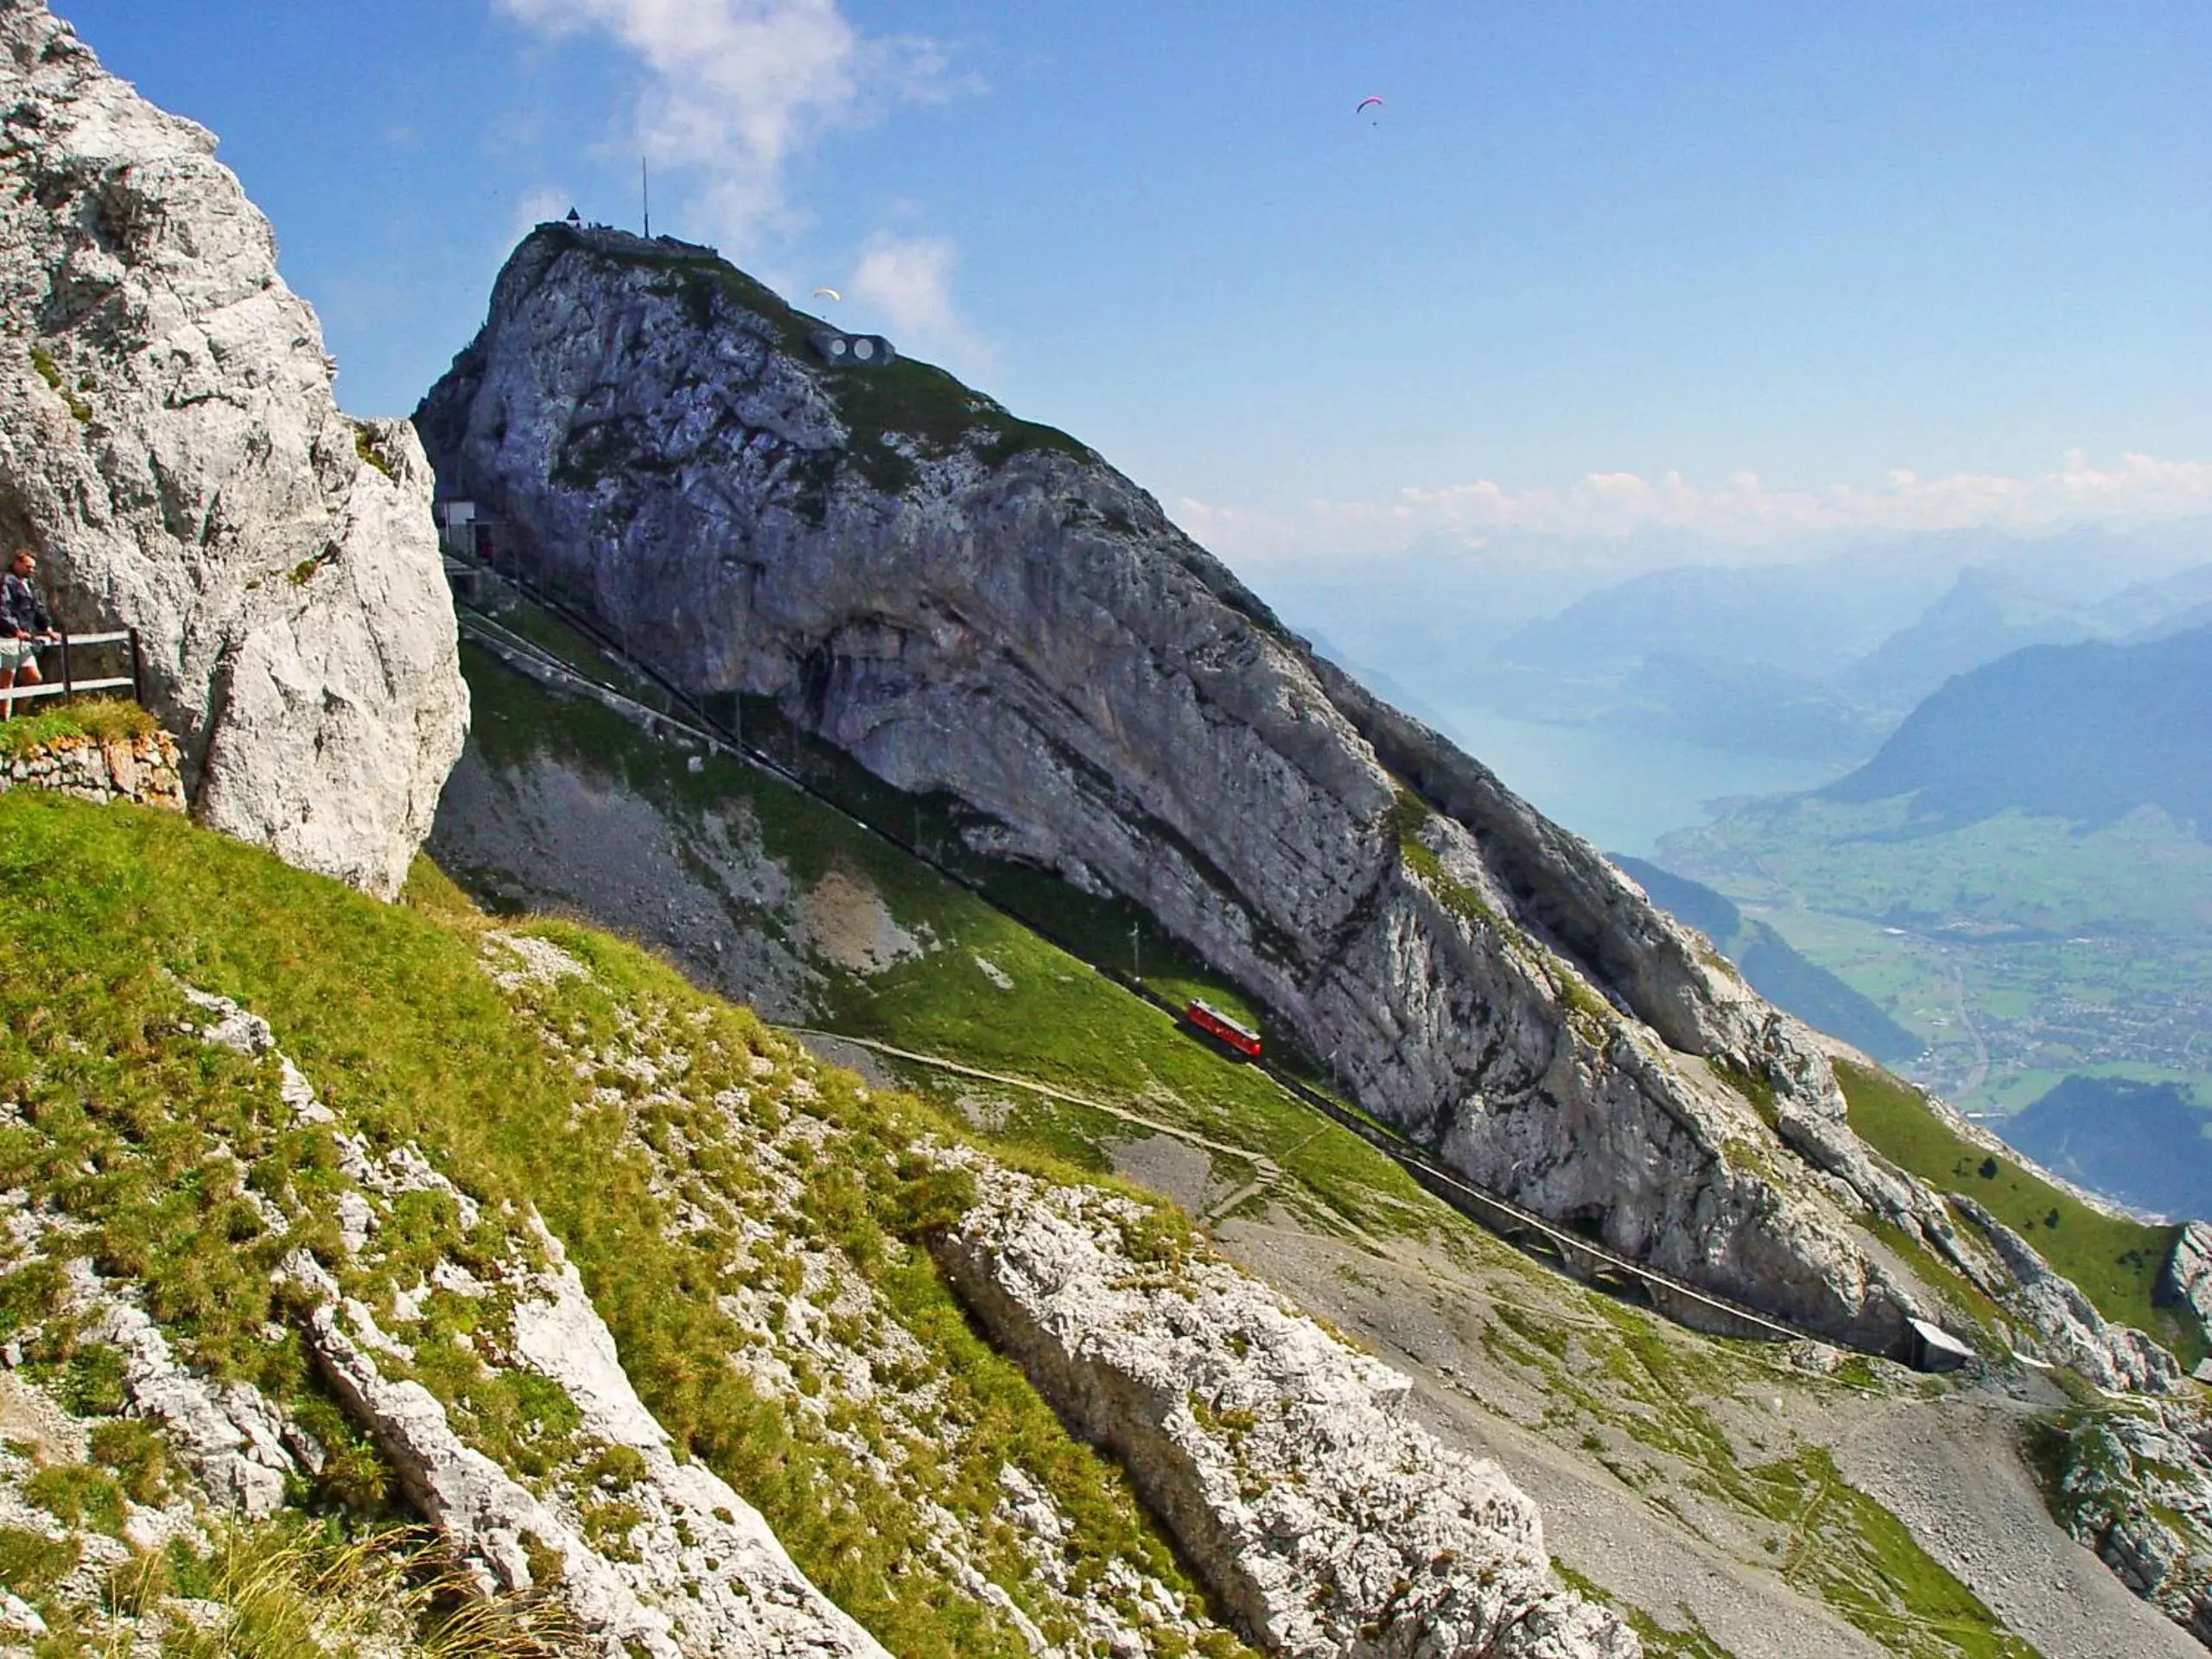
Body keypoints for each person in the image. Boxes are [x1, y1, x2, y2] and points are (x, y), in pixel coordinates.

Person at [1, 547, 59, 720]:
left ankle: (20, 714)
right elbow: (3, 609)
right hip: (7, 638)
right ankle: (5, 719)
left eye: (33, 568)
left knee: (33, 676)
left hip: (25, 638)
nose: (31, 571)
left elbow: (37, 607)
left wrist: (47, 628)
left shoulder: (29, 584)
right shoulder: (5, 582)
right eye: (28, 567)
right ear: (17, 564)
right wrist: (15, 629)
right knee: (6, 680)